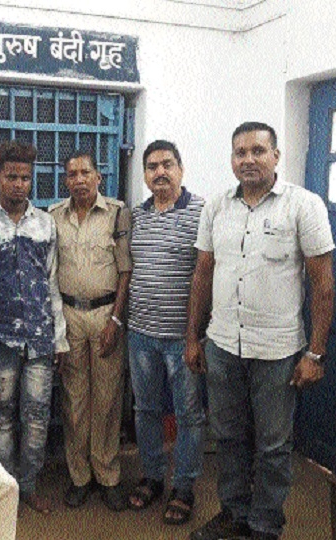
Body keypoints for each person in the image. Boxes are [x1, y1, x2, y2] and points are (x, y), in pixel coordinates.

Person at [186, 122, 335, 540]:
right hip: (222, 345)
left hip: (277, 351)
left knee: (273, 445)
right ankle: (234, 514)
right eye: (240, 152)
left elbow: (323, 284)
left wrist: (315, 353)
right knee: (228, 437)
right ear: (232, 159)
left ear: (276, 156)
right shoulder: (216, 207)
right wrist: (192, 337)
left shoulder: (303, 205)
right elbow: (202, 274)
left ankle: (265, 525)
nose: (248, 159)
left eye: (258, 151)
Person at [0, 140, 69, 514]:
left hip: (39, 338)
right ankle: (6, 491)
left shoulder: (46, 224)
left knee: (37, 418)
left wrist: (59, 339)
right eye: (11, 177)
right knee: (1, 416)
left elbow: (52, 283)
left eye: (25, 177)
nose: (19, 184)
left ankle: (30, 486)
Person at [126, 140, 207, 526]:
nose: (160, 172)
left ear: (181, 169)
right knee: (146, 410)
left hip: (182, 338)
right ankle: (153, 477)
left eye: (167, 164)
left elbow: (206, 275)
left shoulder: (201, 212)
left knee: (189, 414)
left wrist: (196, 335)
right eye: (152, 166)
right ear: (144, 174)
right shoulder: (137, 216)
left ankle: (184, 486)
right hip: (140, 334)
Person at [49, 151, 132, 512]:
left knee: (108, 399)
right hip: (69, 315)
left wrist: (116, 320)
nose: (79, 179)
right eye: (72, 174)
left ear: (99, 177)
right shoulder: (54, 216)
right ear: (66, 180)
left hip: (105, 315)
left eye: (86, 172)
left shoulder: (116, 213)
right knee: (74, 399)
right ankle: (80, 476)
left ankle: (107, 475)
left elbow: (126, 271)